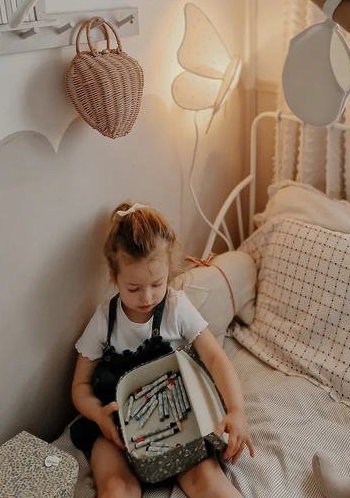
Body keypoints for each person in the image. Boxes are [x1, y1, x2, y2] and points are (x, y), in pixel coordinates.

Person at [70, 201, 254, 498]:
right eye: (133, 288)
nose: (147, 297)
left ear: (170, 268)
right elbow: (79, 385)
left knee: (206, 478)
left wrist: (237, 410)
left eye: (157, 283)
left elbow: (216, 359)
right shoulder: (105, 318)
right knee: (116, 487)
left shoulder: (175, 306)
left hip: (178, 420)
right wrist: (99, 415)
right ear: (113, 276)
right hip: (116, 428)